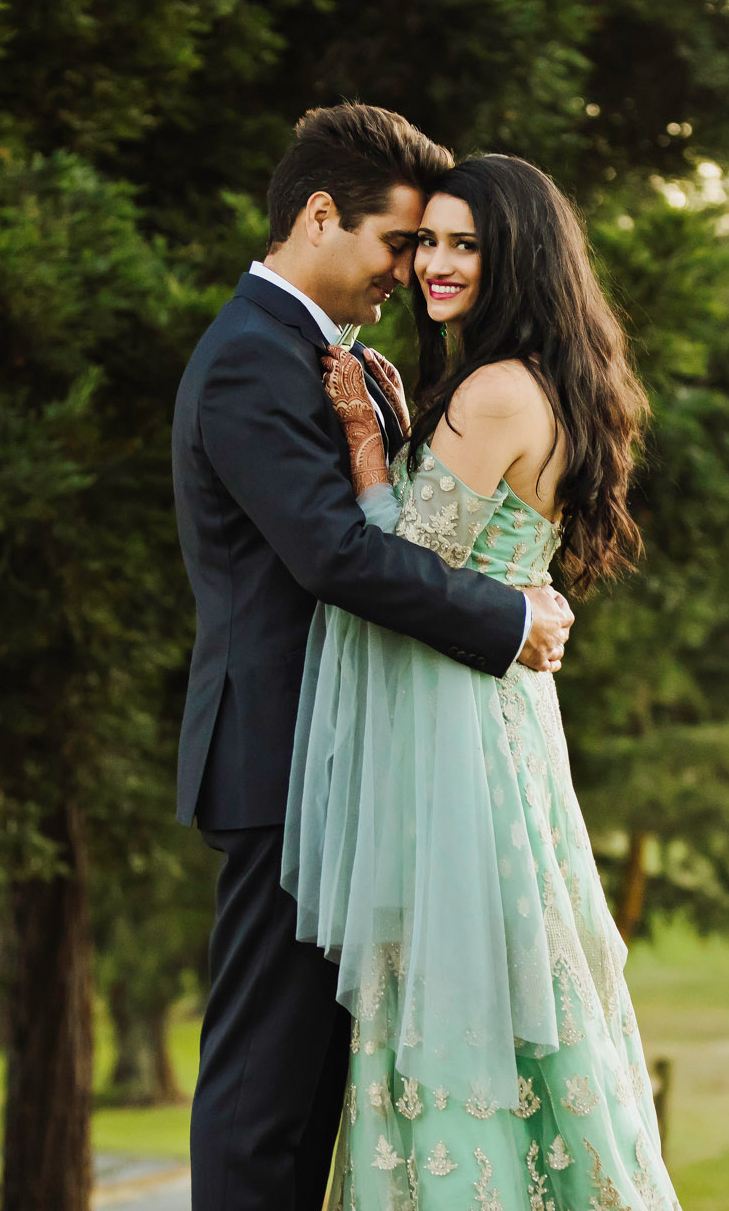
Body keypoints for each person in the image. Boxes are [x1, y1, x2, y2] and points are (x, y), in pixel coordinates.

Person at [173, 106, 578, 1211]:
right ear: (319, 216)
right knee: (264, 1091)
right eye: (400, 241)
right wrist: (505, 618)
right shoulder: (255, 360)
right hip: (279, 763)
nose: (413, 268)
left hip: (344, 765)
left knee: (312, 1090)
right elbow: (337, 557)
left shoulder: (323, 356)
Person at [285, 154, 680, 1211]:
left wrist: (368, 445)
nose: (436, 266)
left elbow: (399, 564)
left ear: (518, 261)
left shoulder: (498, 390)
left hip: (459, 725)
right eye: (429, 244)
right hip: (496, 711)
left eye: (467, 245)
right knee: (509, 984)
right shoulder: (532, 384)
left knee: (458, 994)